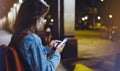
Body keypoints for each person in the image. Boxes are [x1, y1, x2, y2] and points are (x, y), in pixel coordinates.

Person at [8, 0, 65, 71]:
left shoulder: (17, 34)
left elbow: (30, 56)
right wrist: (57, 53)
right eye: (42, 16)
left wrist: (48, 48)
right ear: (34, 17)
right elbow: (46, 69)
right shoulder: (32, 39)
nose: (43, 20)